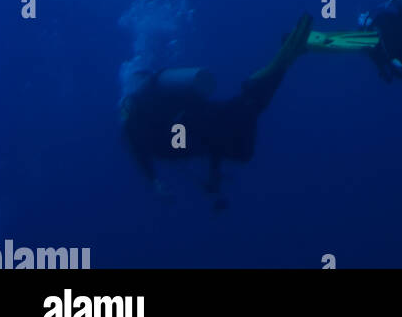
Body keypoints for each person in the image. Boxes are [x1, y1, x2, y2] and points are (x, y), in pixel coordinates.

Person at [120, 13, 314, 206]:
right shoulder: (150, 111)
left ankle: (275, 64)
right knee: (248, 122)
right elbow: (208, 142)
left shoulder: (134, 123)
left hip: (198, 126)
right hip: (203, 122)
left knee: (249, 110)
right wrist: (214, 178)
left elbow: (144, 155)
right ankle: (284, 58)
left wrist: (155, 182)